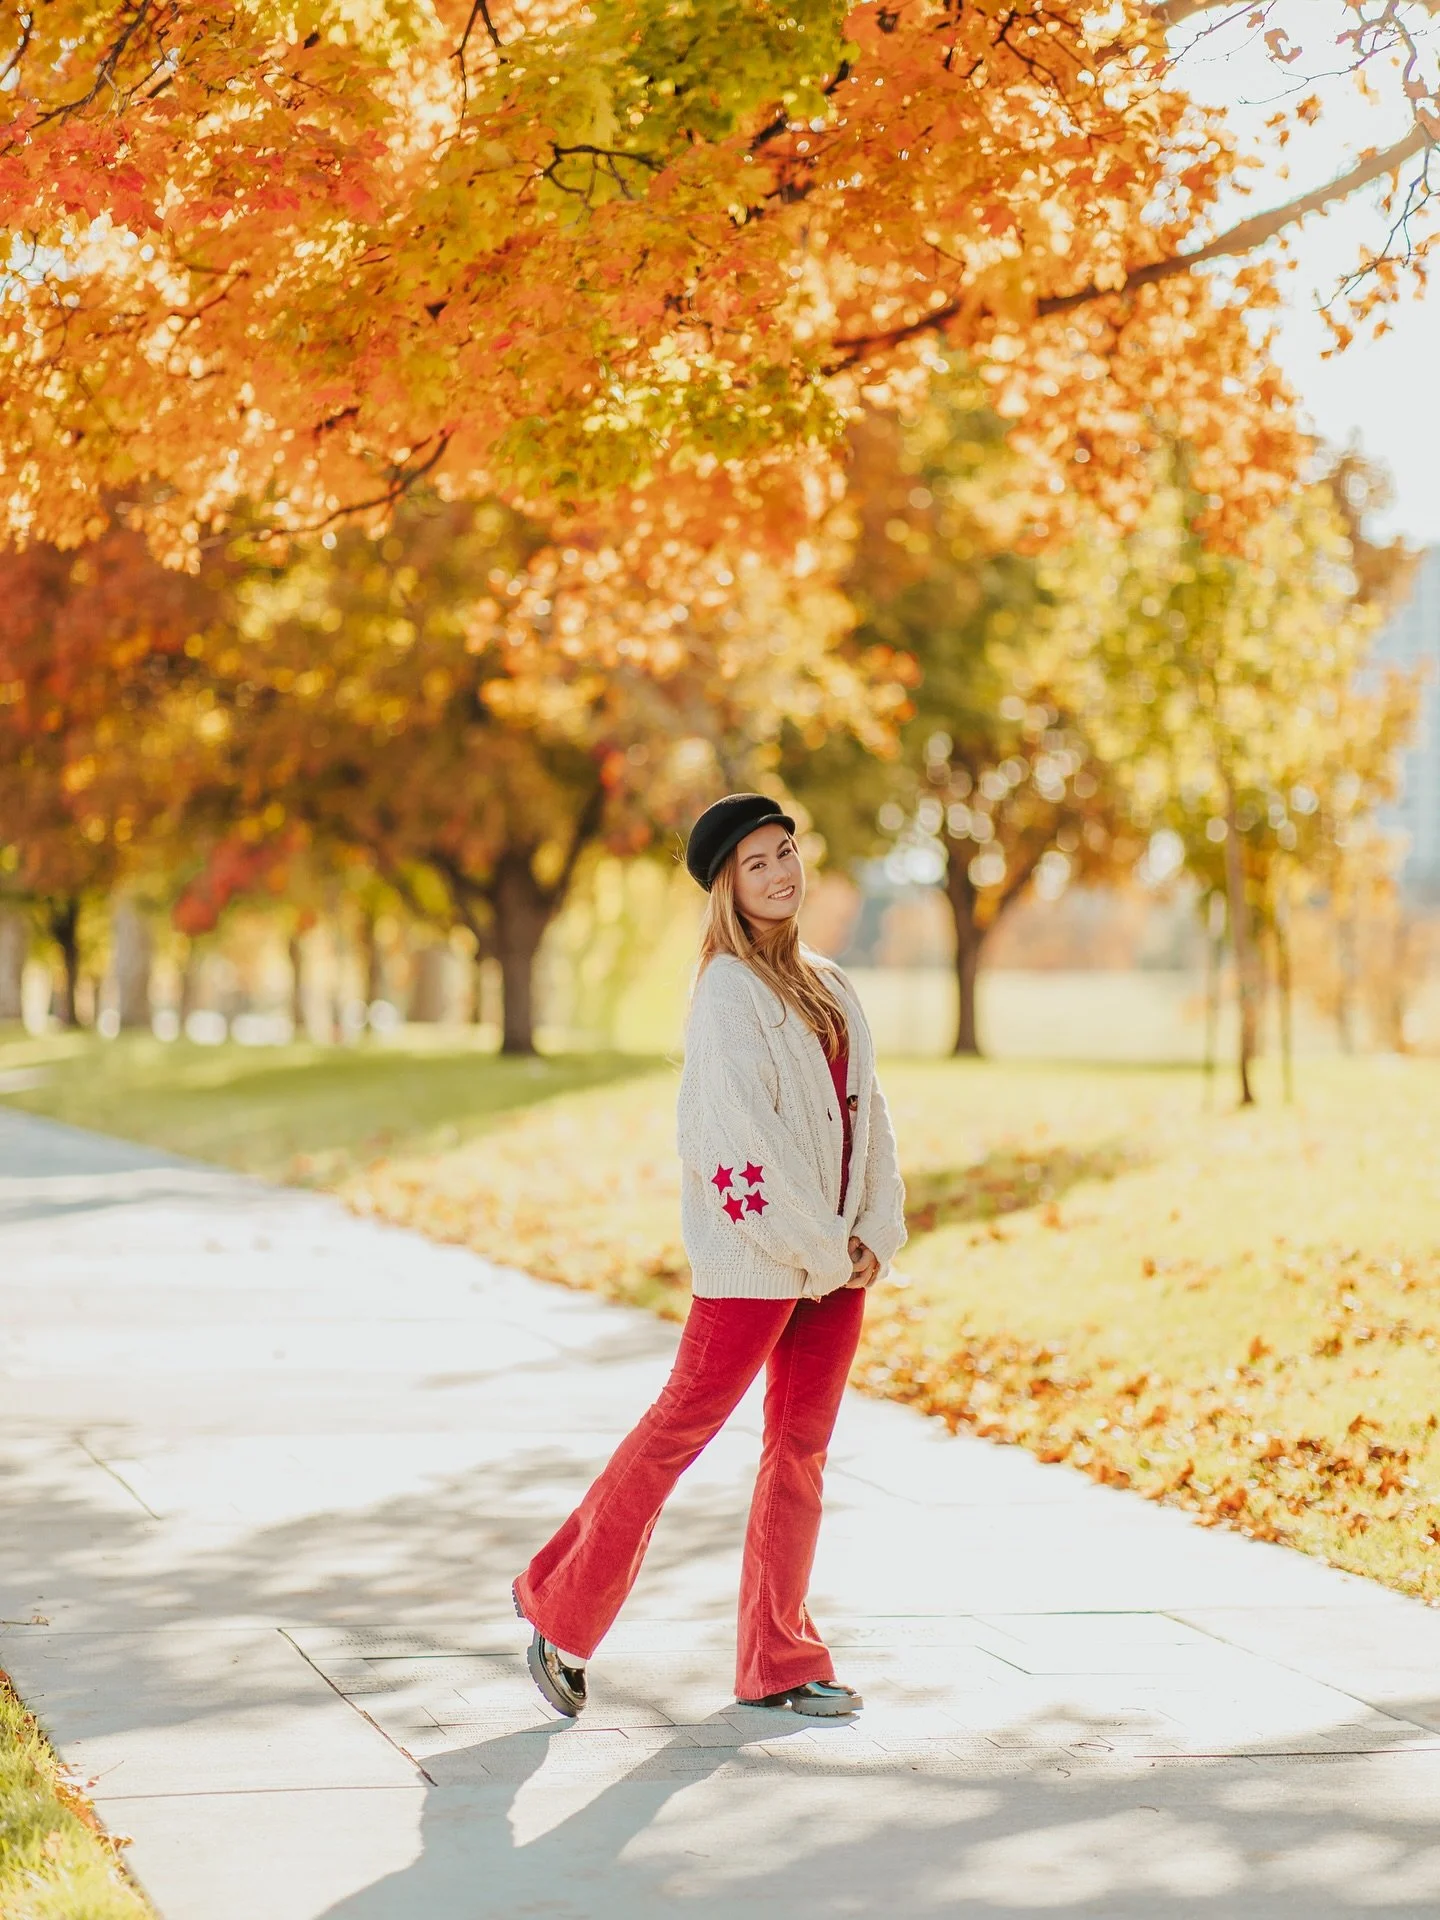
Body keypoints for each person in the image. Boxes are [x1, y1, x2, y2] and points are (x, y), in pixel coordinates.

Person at [512, 792, 907, 1719]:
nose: (779, 874)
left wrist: (871, 1234)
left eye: (786, 854)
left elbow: (872, 1119)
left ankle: (780, 1659)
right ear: (728, 886)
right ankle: (558, 1610)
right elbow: (741, 1143)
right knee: (678, 1432)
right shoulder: (728, 993)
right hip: (757, 1262)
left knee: (800, 1451)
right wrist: (816, 1247)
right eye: (756, 864)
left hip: (835, 1265)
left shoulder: (832, 982)